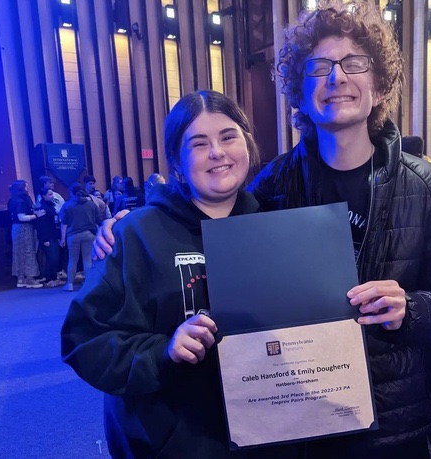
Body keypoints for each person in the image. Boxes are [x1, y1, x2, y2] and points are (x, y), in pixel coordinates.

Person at [93, 2, 431, 457]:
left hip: (397, 425)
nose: (337, 78)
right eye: (319, 67)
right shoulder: (271, 186)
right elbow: (202, 225)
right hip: (298, 420)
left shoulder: (427, 185)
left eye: (354, 63)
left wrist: (408, 308)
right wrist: (130, 224)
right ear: (299, 89)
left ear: (378, 84)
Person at [62, 90, 298, 459]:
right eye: (199, 143)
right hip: (173, 442)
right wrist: (163, 351)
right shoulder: (135, 234)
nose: (217, 152)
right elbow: (85, 339)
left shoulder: (274, 229)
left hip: (263, 436)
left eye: (228, 136)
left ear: (248, 145)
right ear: (177, 160)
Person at [59, 182, 101, 292]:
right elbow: (98, 220)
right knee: (87, 259)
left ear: (71, 193)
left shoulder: (67, 205)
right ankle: (88, 284)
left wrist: (62, 238)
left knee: (72, 260)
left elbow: (64, 223)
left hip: (72, 236)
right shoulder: (91, 204)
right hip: (89, 234)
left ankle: (69, 284)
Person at [7, 180, 45, 288]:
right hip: (24, 228)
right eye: (26, 186)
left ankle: (20, 278)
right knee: (28, 251)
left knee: (18, 252)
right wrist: (37, 215)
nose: (28, 188)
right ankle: (30, 278)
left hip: (15, 228)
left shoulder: (12, 199)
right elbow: (22, 217)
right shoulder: (22, 201)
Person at [35, 188, 62, 287]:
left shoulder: (51, 207)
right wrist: (45, 239)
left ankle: (52, 278)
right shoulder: (42, 209)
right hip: (47, 237)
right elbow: (41, 226)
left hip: (54, 235)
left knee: (55, 258)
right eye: (50, 194)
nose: (52, 196)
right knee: (52, 258)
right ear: (44, 196)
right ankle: (50, 279)